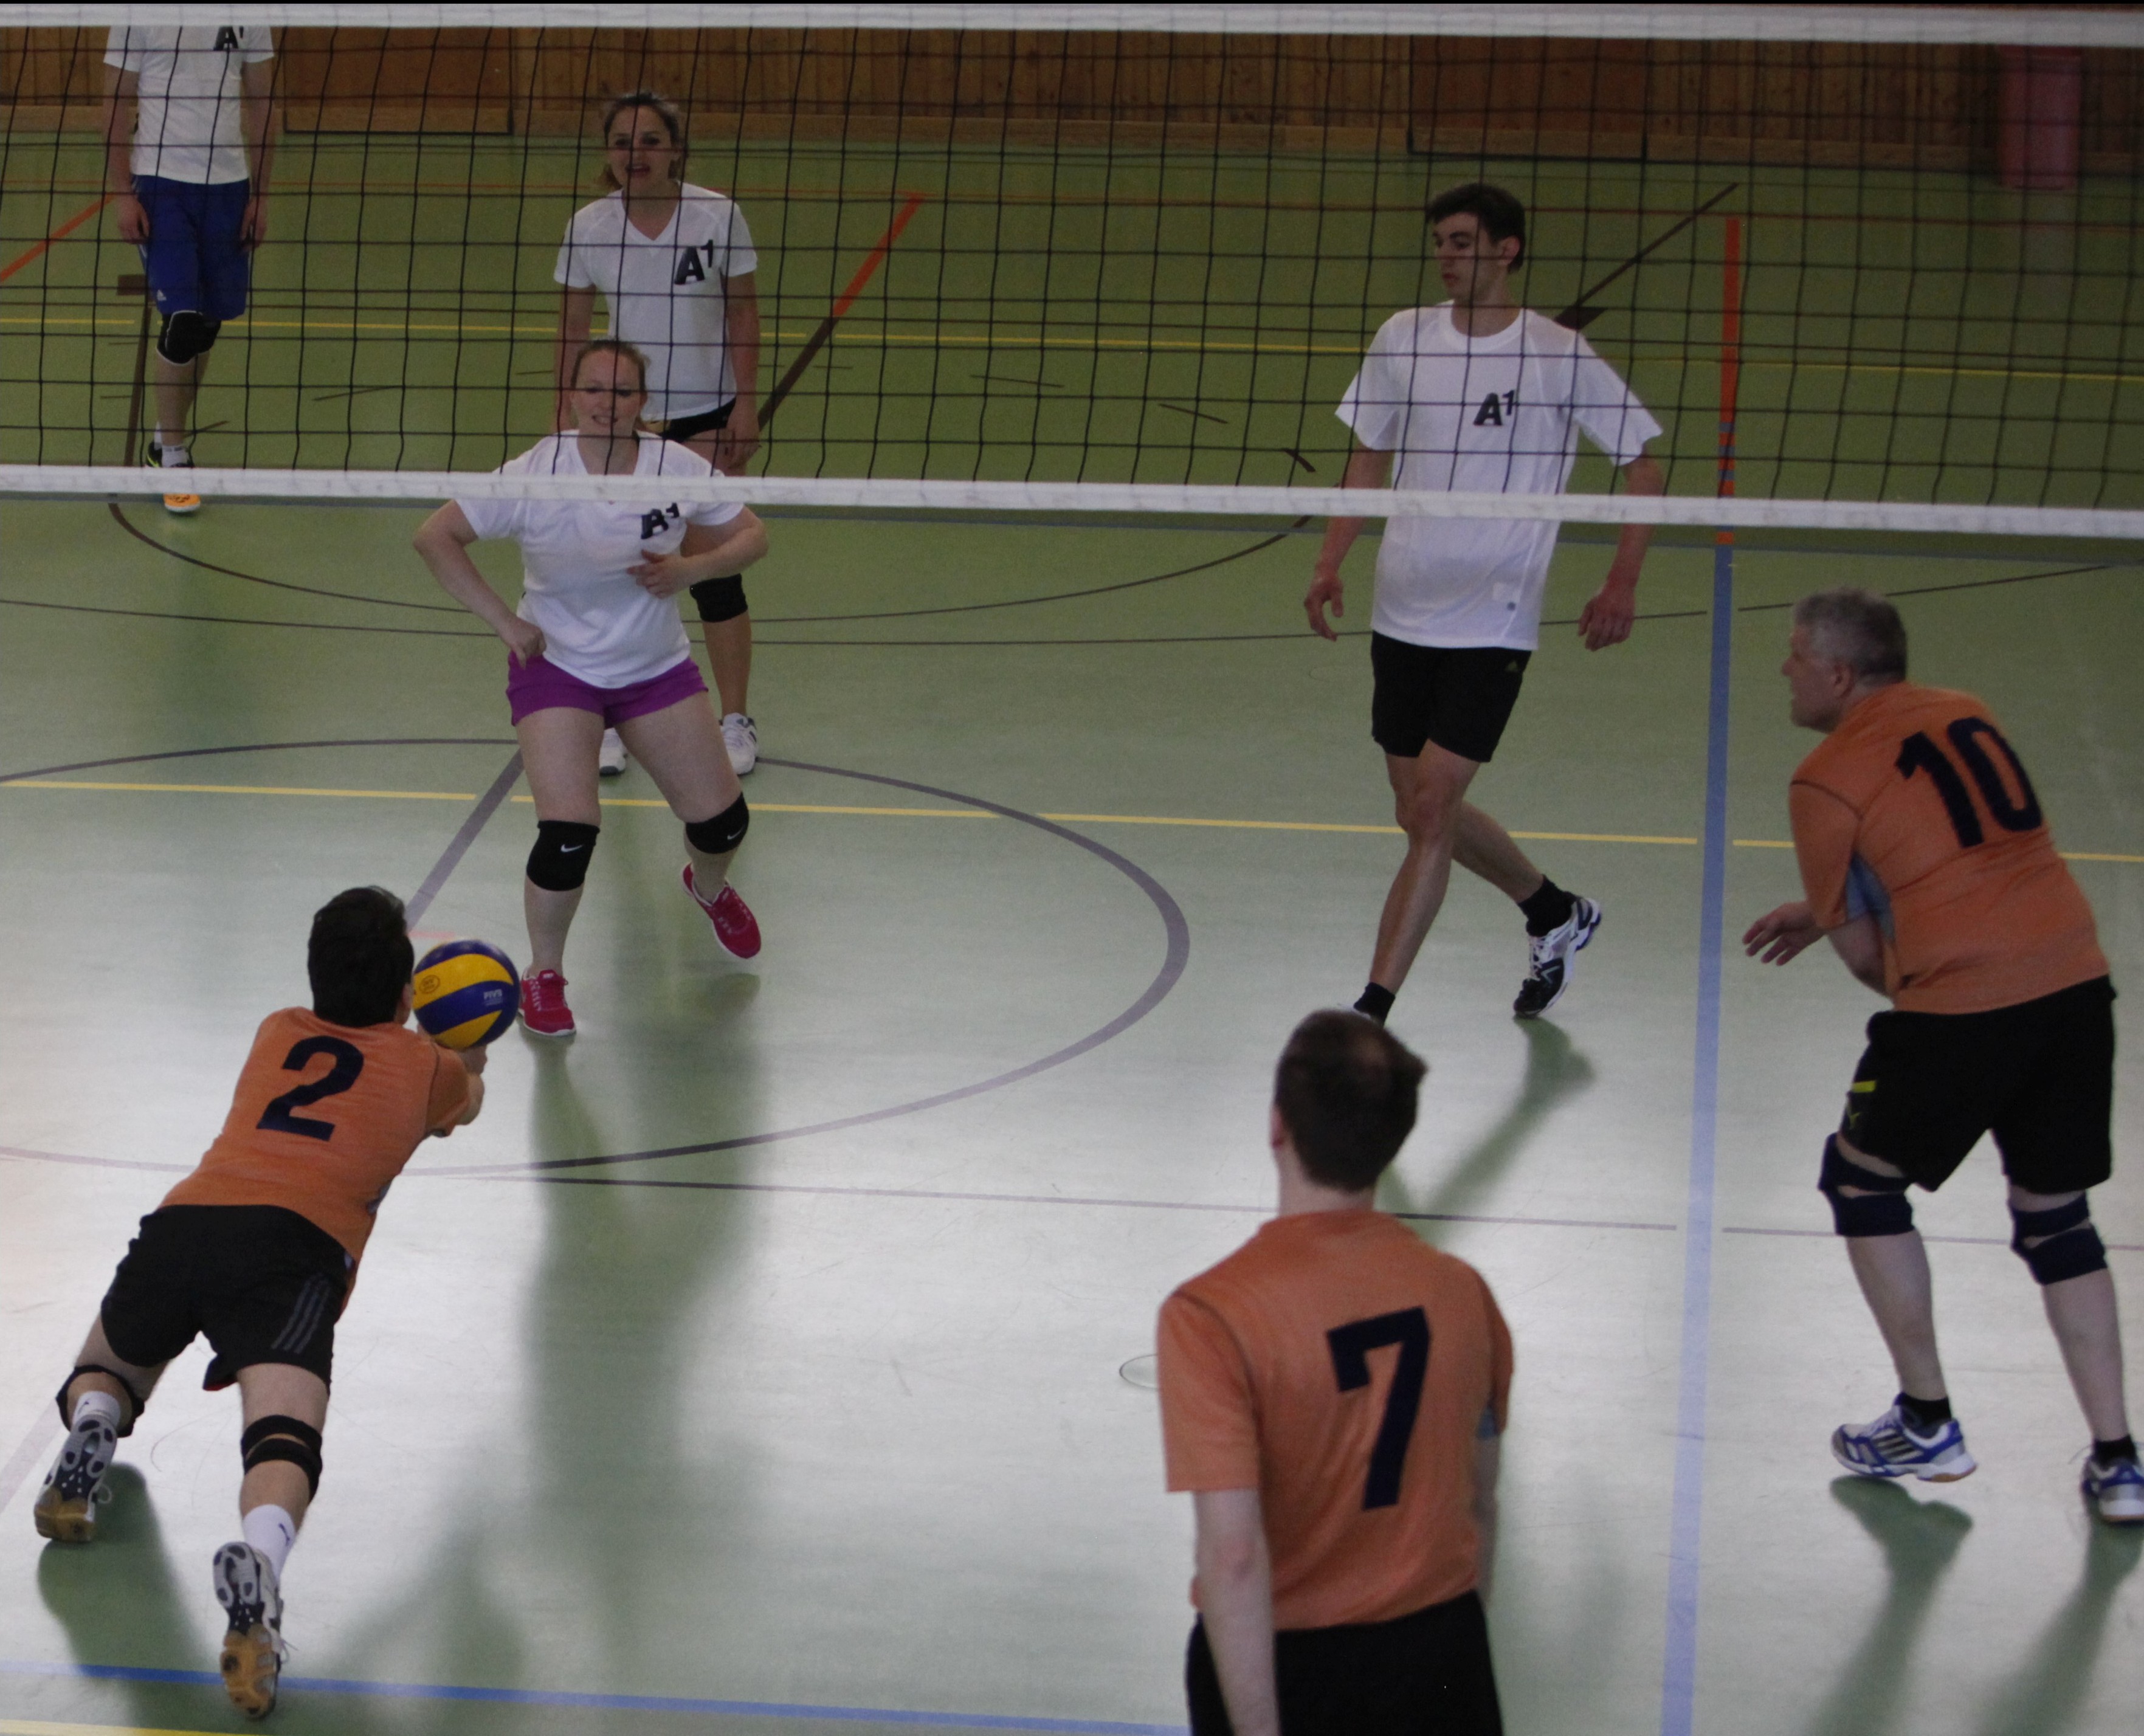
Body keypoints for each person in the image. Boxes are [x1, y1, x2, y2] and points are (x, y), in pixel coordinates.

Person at [32, 888, 486, 1720]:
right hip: (292, 1248)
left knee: (105, 1368)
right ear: (404, 995)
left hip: (185, 1221)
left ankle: (94, 1423)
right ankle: (262, 1568)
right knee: (282, 1434)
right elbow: (464, 1098)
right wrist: (469, 1047)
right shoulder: (431, 1070)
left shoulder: (276, 1030)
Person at [1743, 587, 2140, 1524]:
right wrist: (1834, 911)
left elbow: (1866, 963)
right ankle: (2118, 1463)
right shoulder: (1963, 709)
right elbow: (1965, 849)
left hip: (1965, 1006)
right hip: (2074, 980)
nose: (1784, 669)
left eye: (1794, 654)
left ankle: (1925, 1421)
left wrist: (1941, 997)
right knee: (2056, 1219)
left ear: (1837, 673)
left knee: (1859, 1182)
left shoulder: (1821, 779)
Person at [1306, 181, 1666, 1024]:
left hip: (1492, 616)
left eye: (1463, 242)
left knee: (1432, 811)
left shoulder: (1556, 355)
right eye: (1440, 242)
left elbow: (1643, 464)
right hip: (1402, 605)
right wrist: (1329, 561)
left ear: (1507, 251)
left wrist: (1621, 580)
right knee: (1416, 809)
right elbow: (1367, 456)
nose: (1446, 256)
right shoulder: (1402, 337)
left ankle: (1371, 1010)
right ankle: (1553, 912)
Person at [1157, 1011, 1511, 1735]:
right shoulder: (1462, 1294)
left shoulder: (1211, 1317)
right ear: (1393, 1140)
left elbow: (1233, 1556)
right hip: (1439, 1652)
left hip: (1296, 1667)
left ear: (1276, 1125)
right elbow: (1480, 1500)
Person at [413, 337, 768, 1039]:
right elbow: (435, 537)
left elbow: (752, 536)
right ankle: (544, 974)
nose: (607, 404)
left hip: (654, 666)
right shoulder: (536, 472)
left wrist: (690, 571)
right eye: (595, 390)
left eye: (623, 392)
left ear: (644, 403)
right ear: (572, 396)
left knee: (723, 822)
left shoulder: (674, 465)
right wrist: (505, 621)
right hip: (558, 666)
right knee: (569, 833)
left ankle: (708, 887)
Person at [554, 90, 765, 782]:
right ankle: (612, 720)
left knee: (714, 573)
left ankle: (735, 718)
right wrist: (568, 414)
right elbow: (572, 328)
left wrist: (744, 406)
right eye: (622, 142)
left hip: (706, 418)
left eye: (650, 141)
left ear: (675, 150)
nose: (635, 154)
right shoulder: (588, 225)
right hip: (624, 422)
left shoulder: (718, 215)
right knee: (616, 572)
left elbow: (743, 313)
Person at [103, 22, 276, 515]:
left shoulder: (252, 15)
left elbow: (263, 104)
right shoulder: (136, 14)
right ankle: (174, 457)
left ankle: (164, 438)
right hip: (161, 184)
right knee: (181, 320)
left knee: (206, 325)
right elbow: (114, 102)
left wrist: (261, 194)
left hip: (228, 186)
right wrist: (122, 193)